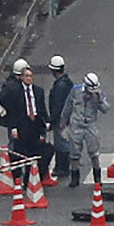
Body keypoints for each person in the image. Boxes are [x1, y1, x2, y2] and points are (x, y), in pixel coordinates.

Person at [0, 60, 51, 180]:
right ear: (21, 77)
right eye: (26, 76)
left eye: (30, 76)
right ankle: (17, 176)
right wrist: (13, 127)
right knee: (19, 151)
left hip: (34, 124)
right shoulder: (15, 91)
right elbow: (13, 111)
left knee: (37, 152)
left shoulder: (38, 91)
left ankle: (30, 178)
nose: (28, 78)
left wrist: (46, 122)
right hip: (22, 124)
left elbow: (41, 108)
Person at [63, 72, 110, 186]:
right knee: (74, 153)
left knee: (94, 152)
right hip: (76, 125)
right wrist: (63, 123)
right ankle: (75, 177)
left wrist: (99, 98)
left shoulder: (98, 94)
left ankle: (97, 177)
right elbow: (68, 106)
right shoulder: (75, 91)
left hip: (90, 125)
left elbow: (105, 109)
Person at [44, 56, 77, 184]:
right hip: (68, 117)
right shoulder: (67, 83)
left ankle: (62, 167)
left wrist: (50, 121)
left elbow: (57, 106)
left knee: (61, 142)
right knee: (64, 141)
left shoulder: (60, 86)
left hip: (61, 119)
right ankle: (64, 166)